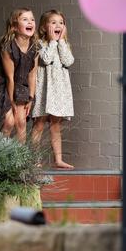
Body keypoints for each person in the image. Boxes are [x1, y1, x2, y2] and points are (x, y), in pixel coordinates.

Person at [0, 8, 38, 143]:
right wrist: (12, 103)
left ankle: (20, 159)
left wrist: (31, 98)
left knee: (21, 123)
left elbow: (32, 74)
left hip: (21, 85)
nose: (30, 22)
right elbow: (9, 78)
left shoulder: (35, 47)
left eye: (32, 19)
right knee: (9, 122)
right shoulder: (7, 47)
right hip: (2, 86)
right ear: (15, 27)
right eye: (25, 19)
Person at [30, 9, 75, 169]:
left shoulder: (64, 44)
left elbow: (69, 61)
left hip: (59, 90)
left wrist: (61, 41)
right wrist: (53, 41)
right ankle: (34, 159)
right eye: (53, 22)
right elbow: (46, 58)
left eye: (61, 23)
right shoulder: (39, 44)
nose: (58, 25)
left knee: (56, 125)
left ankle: (58, 159)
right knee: (39, 124)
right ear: (44, 27)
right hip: (44, 91)